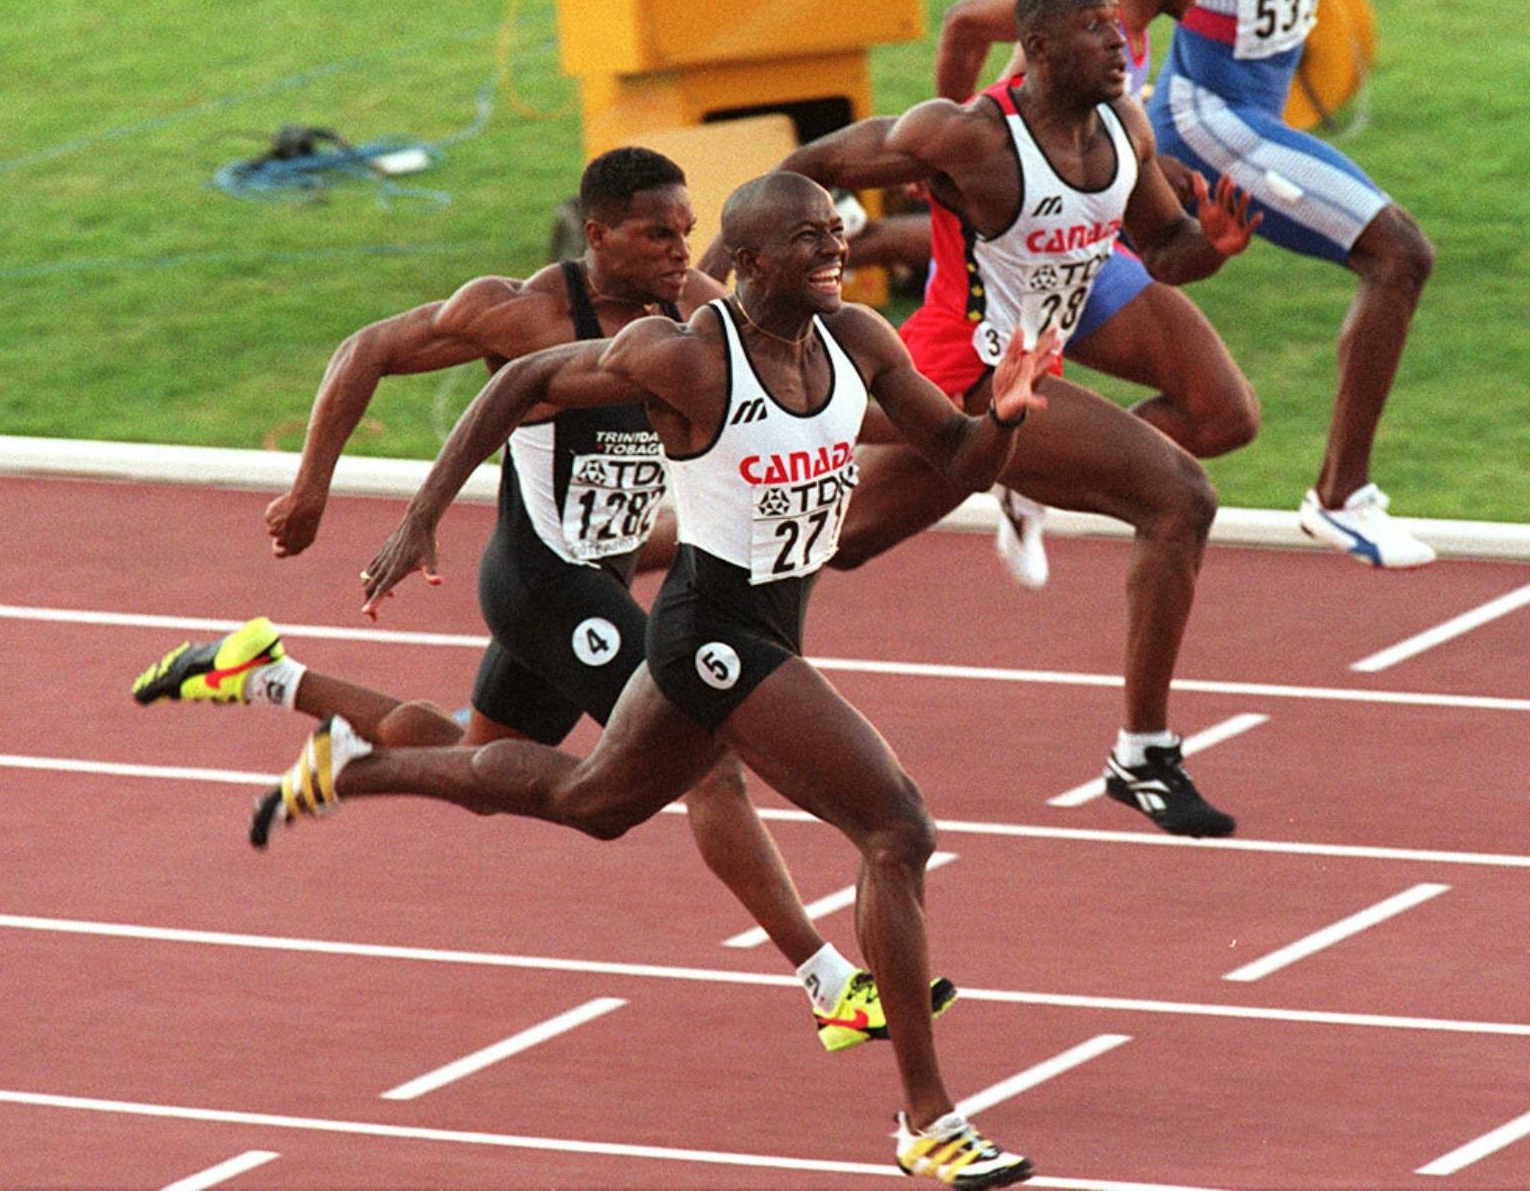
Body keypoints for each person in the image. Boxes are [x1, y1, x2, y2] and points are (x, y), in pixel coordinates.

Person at [251, 171, 1052, 1186]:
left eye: (836, 236)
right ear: (754, 263)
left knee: (592, 799)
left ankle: (362, 767)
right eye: (811, 242)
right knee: (896, 825)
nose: (837, 253)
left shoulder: (859, 342)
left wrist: (1007, 414)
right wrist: (421, 515)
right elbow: (516, 385)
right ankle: (927, 1117)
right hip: (710, 630)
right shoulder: (683, 357)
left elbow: (958, 457)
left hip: (770, 623)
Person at [131, 147, 939, 1054]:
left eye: (687, 230)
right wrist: (314, 489)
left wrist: (937, 428)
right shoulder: (522, 312)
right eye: (656, 235)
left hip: (606, 575)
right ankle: (827, 979)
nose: (683, 252)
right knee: (707, 755)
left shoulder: (700, 314)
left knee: (477, 759)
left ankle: (277, 680)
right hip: (540, 579)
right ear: (596, 235)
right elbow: (367, 348)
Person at [883, 0, 1505, 568]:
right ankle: (1340, 497)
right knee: (1398, 253)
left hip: (1247, 118)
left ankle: (1027, 470)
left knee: (1229, 406)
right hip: (1205, 115)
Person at [729, 0, 1261, 839]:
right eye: (1092, 28)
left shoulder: (1125, 127)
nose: (1117, 42)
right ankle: (1144, 754)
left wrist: (1215, 245)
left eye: (1116, 27)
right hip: (960, 371)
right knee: (1179, 497)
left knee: (843, 534)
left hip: (1019, 374)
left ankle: (613, 574)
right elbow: (810, 166)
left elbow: (1164, 245)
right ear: (1039, 49)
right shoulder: (970, 137)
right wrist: (737, 281)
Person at [930, 0, 1257, 588]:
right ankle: (1016, 456)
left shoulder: (1118, 31)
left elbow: (1094, 136)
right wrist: (944, 152)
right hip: (1016, 262)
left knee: (1225, 414)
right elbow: (961, 24)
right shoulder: (1074, 15)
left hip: (1091, 252)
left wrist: (1148, 168)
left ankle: (1029, 470)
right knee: (858, 522)